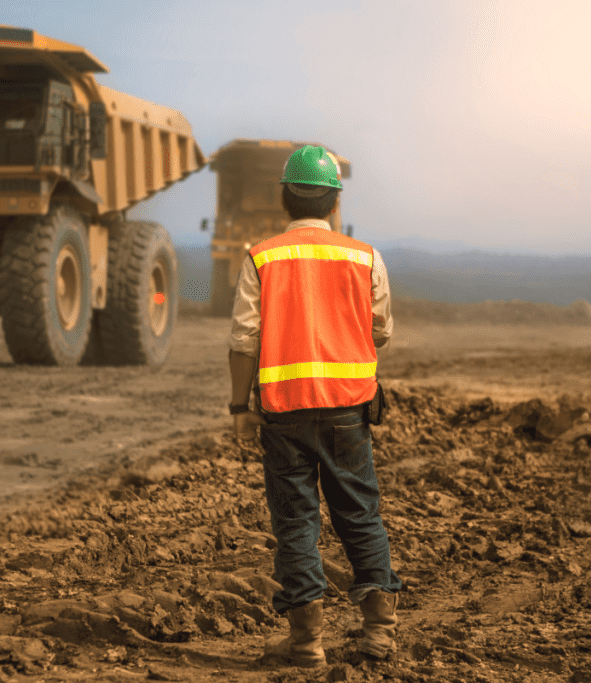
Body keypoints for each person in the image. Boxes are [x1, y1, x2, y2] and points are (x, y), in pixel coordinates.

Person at [227, 145, 401, 668]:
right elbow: (381, 333)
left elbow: (243, 341)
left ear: (285, 197)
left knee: (296, 523)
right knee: (360, 516)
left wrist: (240, 405)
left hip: (285, 415)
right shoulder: (364, 257)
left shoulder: (262, 257)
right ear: (335, 202)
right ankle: (380, 633)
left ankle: (305, 644)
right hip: (350, 412)